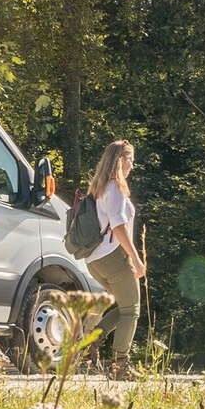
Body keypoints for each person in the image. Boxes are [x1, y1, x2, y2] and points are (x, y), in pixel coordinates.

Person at [83, 139, 146, 379]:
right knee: (132, 311)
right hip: (114, 258)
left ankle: (91, 343)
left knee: (124, 306)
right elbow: (118, 227)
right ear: (120, 160)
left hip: (95, 260)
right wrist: (136, 259)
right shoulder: (115, 189)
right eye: (130, 160)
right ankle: (121, 365)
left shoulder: (99, 187)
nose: (132, 165)